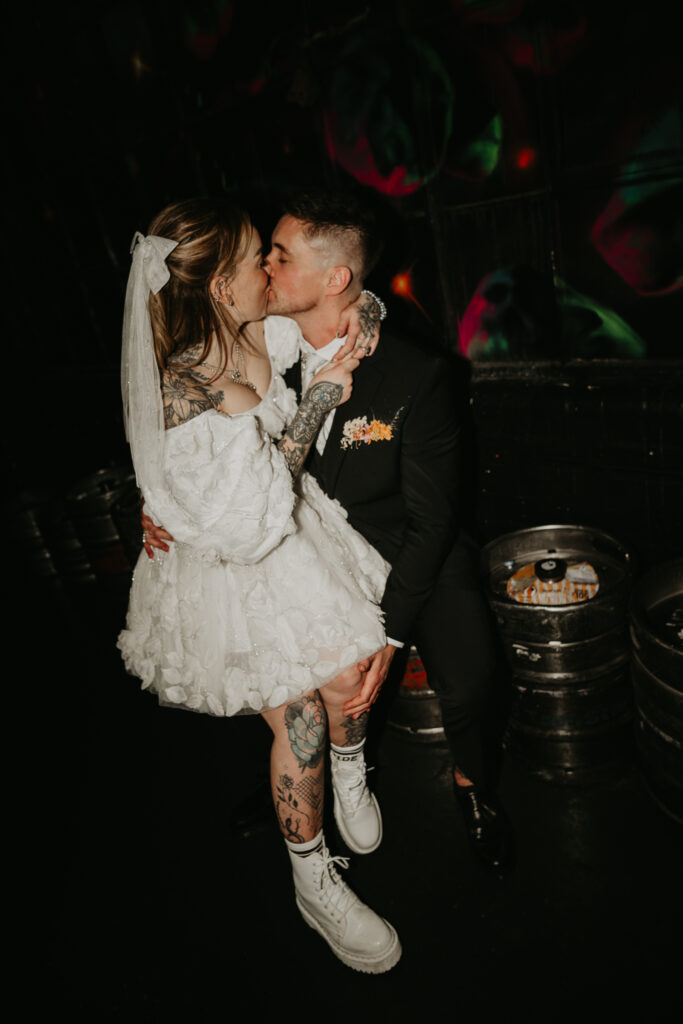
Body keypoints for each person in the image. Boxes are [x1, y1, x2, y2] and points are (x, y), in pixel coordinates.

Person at [145, 189, 512, 871]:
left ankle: (473, 787)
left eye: (278, 258)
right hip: (296, 542)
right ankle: (296, 784)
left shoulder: (416, 373)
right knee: (284, 682)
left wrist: (390, 632)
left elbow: (432, 521)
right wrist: (163, 502)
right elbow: (196, 435)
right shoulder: (261, 340)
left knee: (470, 678)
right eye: (265, 257)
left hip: (403, 547)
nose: (264, 271)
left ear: (335, 280)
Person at [117, 197, 402, 974]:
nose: (265, 270)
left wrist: (365, 303)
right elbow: (255, 515)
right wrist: (319, 397)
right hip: (231, 562)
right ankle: (314, 882)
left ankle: (353, 771)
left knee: (349, 675)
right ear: (215, 285)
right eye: (254, 260)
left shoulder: (251, 329)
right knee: (301, 716)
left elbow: (333, 308)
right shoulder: (184, 393)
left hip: (281, 532)